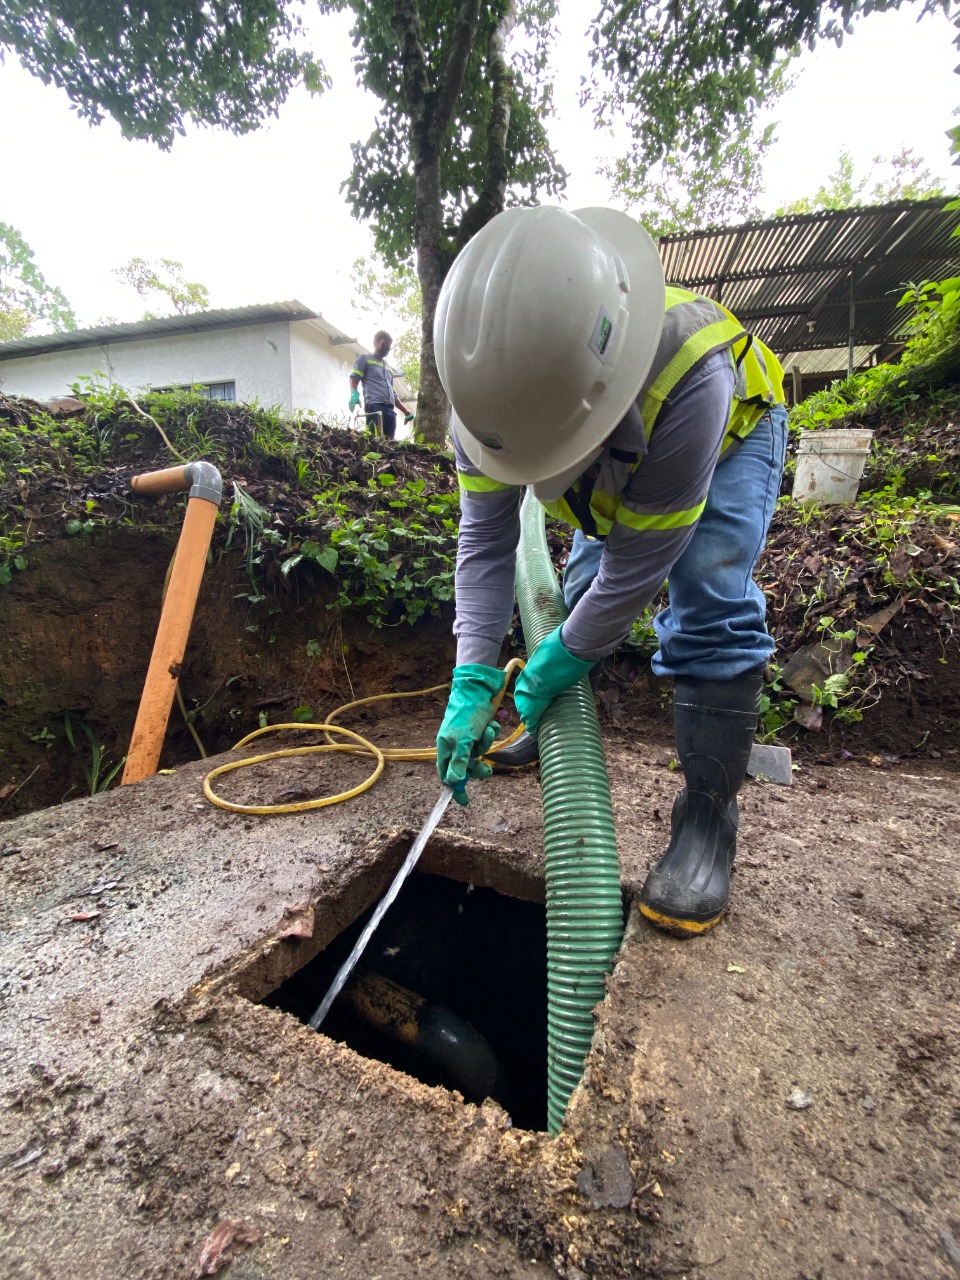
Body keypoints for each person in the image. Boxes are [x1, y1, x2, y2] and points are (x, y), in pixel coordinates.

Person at [432, 206, 788, 937]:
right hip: (612, 445)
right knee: (580, 594)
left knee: (708, 598)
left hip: (729, 437)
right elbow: (487, 547)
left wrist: (561, 655)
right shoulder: (491, 402)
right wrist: (471, 679)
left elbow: (640, 568)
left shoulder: (687, 380)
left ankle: (707, 820)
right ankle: (552, 721)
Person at [348, 330, 412, 440]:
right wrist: (354, 393)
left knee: (389, 443)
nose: (387, 348)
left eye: (389, 346)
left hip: (390, 410)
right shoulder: (365, 358)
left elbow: (393, 394)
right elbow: (354, 378)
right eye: (385, 344)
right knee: (375, 440)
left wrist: (406, 411)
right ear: (376, 342)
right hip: (375, 406)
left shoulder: (388, 368)